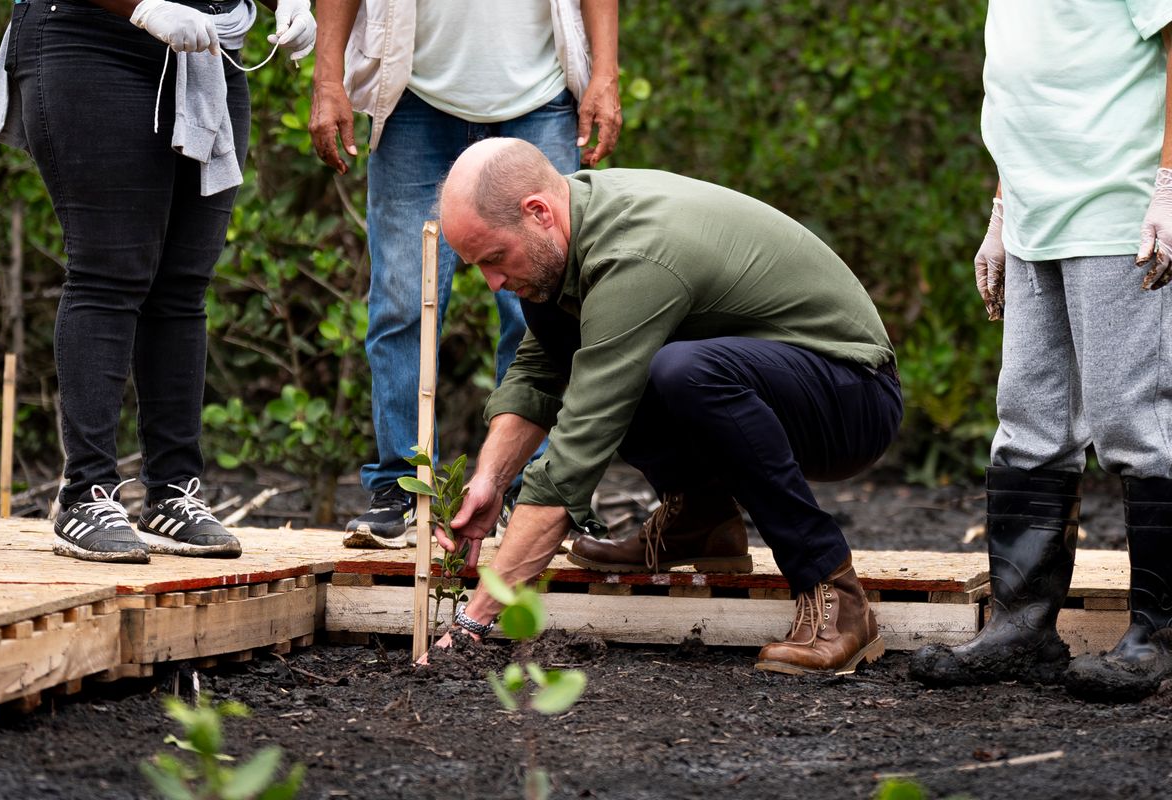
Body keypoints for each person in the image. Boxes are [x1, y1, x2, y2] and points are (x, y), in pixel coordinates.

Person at [425, 137, 903, 675]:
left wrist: (475, 620)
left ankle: (834, 595)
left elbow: (580, 445)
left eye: (494, 258)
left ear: (537, 212)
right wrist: (490, 478)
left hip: (851, 394)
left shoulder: (633, 255)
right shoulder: (568, 237)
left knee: (683, 372)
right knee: (581, 331)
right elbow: (539, 374)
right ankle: (700, 519)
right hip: (771, 377)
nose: (492, 281)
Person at [0, 0, 316, 563]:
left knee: (183, 286)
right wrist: (140, 5)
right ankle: (85, 492)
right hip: (92, 37)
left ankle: (171, 493)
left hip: (211, 50)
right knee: (108, 271)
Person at [909, 3, 1172, 701]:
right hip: (1033, 218)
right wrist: (1002, 213)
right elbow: (1025, 90)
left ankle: (1157, 637)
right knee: (1029, 420)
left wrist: (1170, 189)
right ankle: (1022, 627)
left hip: (1120, 212)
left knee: (1136, 424)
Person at [308, 0, 622, 549]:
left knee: (545, 310)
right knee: (403, 301)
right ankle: (402, 490)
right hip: (413, 96)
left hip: (542, 95)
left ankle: (543, 498)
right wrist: (327, 73)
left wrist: (605, 72)